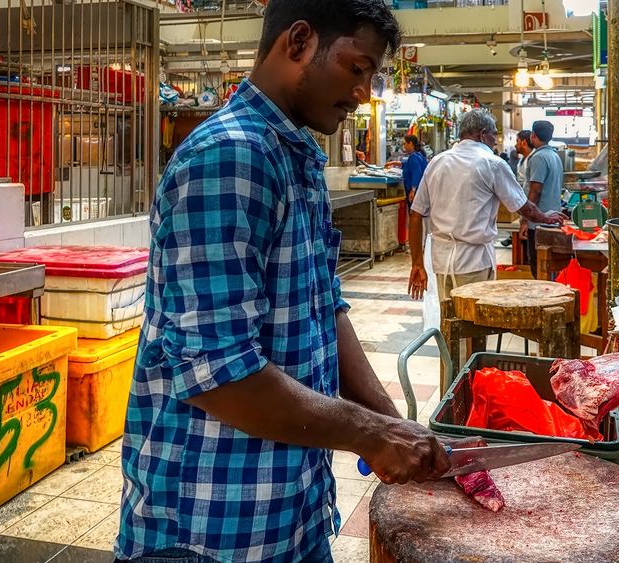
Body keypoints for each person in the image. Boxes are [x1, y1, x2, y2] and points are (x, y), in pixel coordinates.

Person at [116, 2, 450, 562]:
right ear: (298, 42)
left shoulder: (295, 155)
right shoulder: (228, 159)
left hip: (293, 509)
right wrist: (367, 433)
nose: (364, 92)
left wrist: (392, 425)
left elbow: (325, 308)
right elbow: (217, 373)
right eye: (356, 68)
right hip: (210, 529)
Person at [407, 110, 565, 301]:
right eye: (493, 136)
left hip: (441, 262)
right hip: (474, 263)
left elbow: (415, 214)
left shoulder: (437, 162)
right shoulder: (492, 163)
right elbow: (524, 207)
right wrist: (546, 218)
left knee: (449, 321)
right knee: (474, 324)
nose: (495, 141)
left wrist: (417, 263)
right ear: (482, 134)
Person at [522, 120, 565, 279]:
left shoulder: (538, 157)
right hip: (553, 219)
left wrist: (526, 219)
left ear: (533, 135)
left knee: (538, 267)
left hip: (539, 223)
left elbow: (535, 190)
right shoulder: (554, 156)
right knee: (550, 267)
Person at [399, 135, 427, 203]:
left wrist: (413, 190)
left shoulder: (413, 157)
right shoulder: (419, 155)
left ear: (410, 144)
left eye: (405, 143)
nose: (404, 146)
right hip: (420, 190)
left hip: (415, 190)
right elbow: (408, 165)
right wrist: (395, 163)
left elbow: (416, 172)